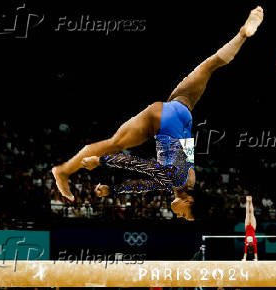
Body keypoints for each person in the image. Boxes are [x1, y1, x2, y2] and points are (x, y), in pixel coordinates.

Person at [53, 6, 264, 220]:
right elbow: (140, 165)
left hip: (182, 112)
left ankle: (241, 35)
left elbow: (148, 183)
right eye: (185, 215)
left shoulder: (188, 180)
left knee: (209, 66)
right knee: (115, 143)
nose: (180, 216)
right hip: (162, 121)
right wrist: (101, 161)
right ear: (188, 201)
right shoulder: (176, 180)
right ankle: (64, 170)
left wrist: (114, 190)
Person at [242, 196, 258, 261]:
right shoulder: (254, 244)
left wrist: (244, 258)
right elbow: (255, 252)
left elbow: (245, 252)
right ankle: (250, 201)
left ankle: (247, 201)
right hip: (253, 228)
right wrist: (256, 259)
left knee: (247, 213)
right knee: (251, 214)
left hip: (247, 228)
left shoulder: (246, 244)